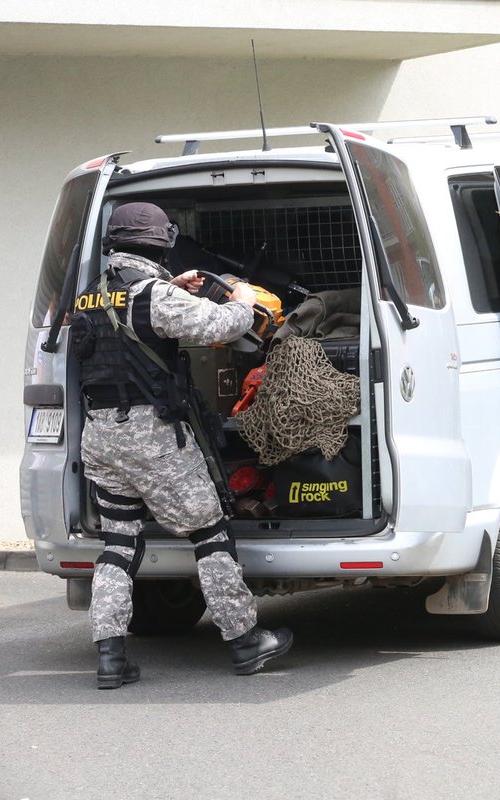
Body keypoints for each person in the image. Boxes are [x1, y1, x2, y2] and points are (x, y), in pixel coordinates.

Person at [71, 202, 293, 689]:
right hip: (152, 437)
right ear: (161, 242)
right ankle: (245, 640)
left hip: (101, 439)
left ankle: (109, 656)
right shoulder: (155, 297)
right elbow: (225, 326)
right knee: (209, 534)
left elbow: (127, 319)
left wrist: (173, 288)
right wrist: (239, 295)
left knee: (118, 543)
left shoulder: (89, 295)